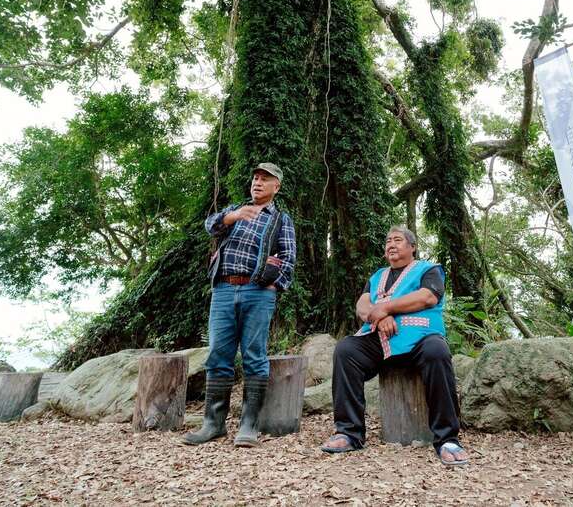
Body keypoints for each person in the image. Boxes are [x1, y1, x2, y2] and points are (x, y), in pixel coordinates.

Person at [320, 225, 468, 466]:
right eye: (388, 241)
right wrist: (380, 317)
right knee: (346, 350)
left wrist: (386, 308)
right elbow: (362, 306)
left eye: (397, 240)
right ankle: (349, 432)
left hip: (421, 339)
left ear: (413, 247)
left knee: (437, 351)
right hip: (381, 341)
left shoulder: (428, 270)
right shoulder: (377, 276)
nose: (391, 244)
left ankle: (447, 439)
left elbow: (427, 297)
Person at [183, 162, 296, 448]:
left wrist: (274, 285)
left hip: (258, 292)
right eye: (255, 178)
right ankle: (213, 424)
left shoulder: (281, 219)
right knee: (218, 354)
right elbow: (210, 226)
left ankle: (249, 425)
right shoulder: (235, 209)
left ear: (276, 186)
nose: (257, 182)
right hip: (223, 288)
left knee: (254, 355)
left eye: (265, 179)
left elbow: (289, 258)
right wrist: (233, 215)